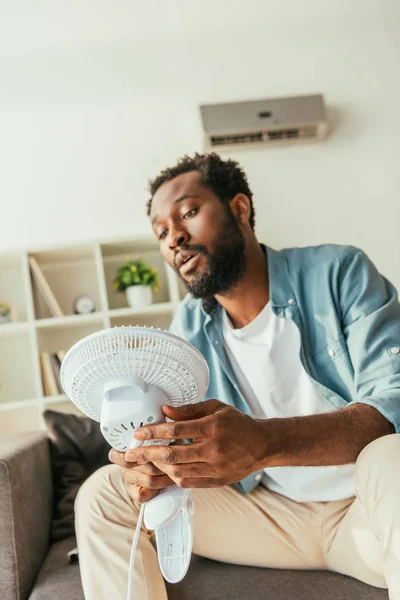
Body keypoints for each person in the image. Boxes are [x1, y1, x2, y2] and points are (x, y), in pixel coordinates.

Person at [75, 153, 400, 599]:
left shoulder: (339, 272)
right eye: (162, 232)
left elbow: (393, 405)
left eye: (188, 212)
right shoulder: (187, 330)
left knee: (394, 456)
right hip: (268, 518)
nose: (176, 238)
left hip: (367, 513)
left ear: (240, 209)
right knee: (103, 492)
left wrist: (262, 444)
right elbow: (174, 441)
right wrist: (151, 465)